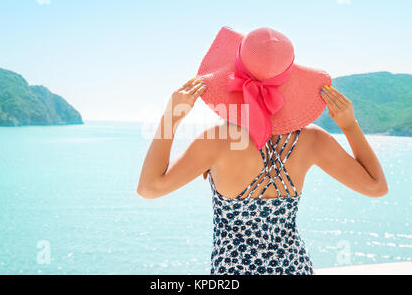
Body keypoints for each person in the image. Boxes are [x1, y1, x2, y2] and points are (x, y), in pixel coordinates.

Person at [137, 27, 388, 275]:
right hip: (295, 269)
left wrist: (171, 117)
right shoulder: (312, 140)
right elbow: (376, 187)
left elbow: (150, 188)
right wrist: (349, 125)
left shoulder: (218, 140)